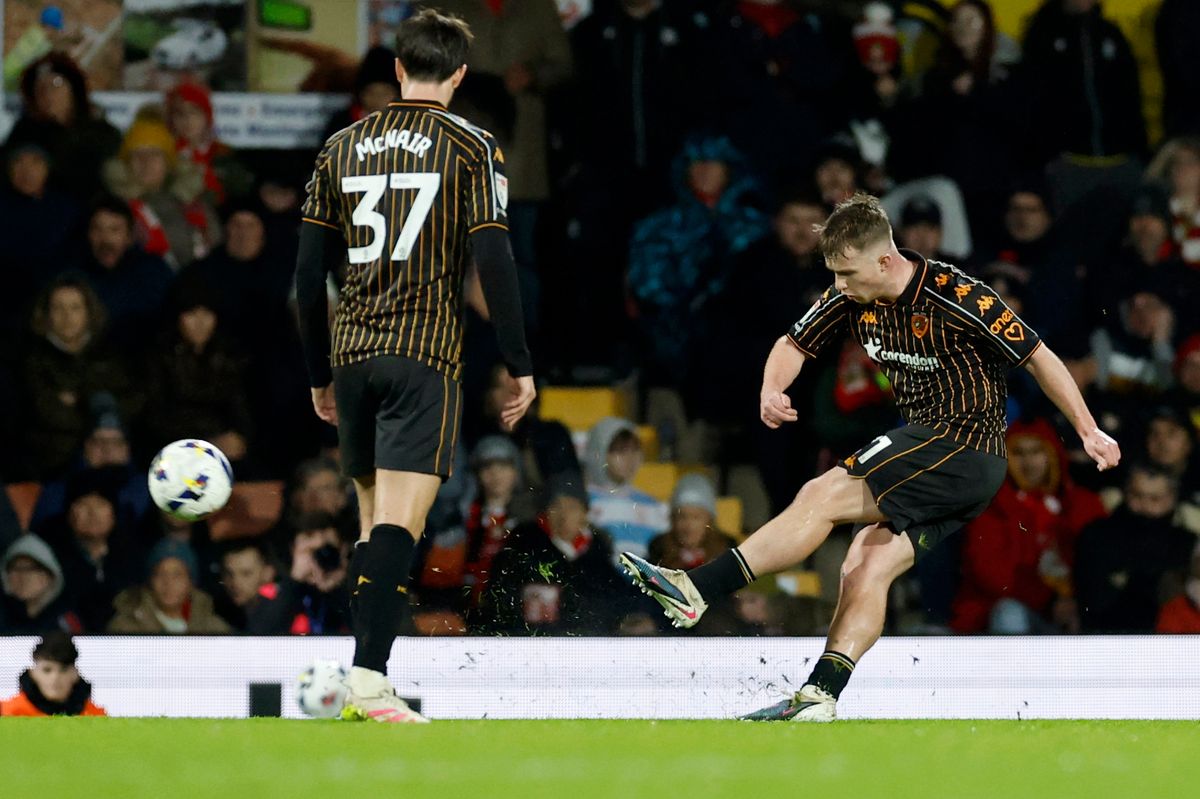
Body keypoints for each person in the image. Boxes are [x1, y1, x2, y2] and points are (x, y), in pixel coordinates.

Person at [620, 193, 1121, 721]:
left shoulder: (959, 295)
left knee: (821, 494)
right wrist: (771, 390)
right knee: (866, 563)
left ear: (885, 260)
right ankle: (822, 694)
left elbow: (1039, 356)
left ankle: (697, 588)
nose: (837, 285)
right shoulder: (852, 294)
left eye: (846, 273)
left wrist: (1087, 429)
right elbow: (791, 344)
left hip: (962, 446)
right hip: (940, 458)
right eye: (833, 273)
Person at [294, 8, 535, 723]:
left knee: (373, 526)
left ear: (398, 68)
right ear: (458, 76)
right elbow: (495, 260)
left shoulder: (340, 145)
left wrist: (318, 374)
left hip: (354, 355)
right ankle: (368, 682)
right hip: (422, 355)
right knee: (401, 521)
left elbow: (308, 278)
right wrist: (519, 363)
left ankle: (366, 679)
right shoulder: (472, 145)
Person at [950, 419, 1107, 634]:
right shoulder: (989, 508)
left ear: (1052, 454)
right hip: (1016, 614)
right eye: (1018, 453)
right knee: (1008, 613)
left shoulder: (1084, 504)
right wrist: (1050, 601)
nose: (1028, 462)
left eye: (1036, 451)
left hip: (1077, 614)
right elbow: (992, 577)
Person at [1074, 464, 1193, 633]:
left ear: (1171, 499)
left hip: (1166, 641)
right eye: (1137, 495)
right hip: (1105, 636)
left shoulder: (1185, 544)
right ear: (1125, 492)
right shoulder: (1096, 535)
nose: (1144, 504)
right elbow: (1092, 600)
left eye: (1154, 499)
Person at [247, 512, 351, 636]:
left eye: (326, 550)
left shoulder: (354, 592)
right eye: (311, 551)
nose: (319, 558)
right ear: (293, 550)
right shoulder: (278, 592)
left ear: (343, 550)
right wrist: (294, 581)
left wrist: (338, 587)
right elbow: (260, 632)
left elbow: (366, 631)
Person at [583, 417, 669, 563]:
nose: (630, 459)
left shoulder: (654, 506)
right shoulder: (583, 501)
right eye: (620, 451)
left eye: (634, 450)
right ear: (599, 452)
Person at [107, 538, 231, 634]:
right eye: (160, 574)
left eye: (177, 575)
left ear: (191, 582)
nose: (168, 583)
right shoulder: (124, 628)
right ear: (150, 580)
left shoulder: (214, 629)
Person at [0, 632, 106, 717]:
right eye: (47, 670)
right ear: (32, 673)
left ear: (75, 674)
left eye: (63, 670)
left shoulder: (95, 717)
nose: (55, 677)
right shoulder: (6, 713)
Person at [1, 533, 81, 635]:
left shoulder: (65, 620)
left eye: (29, 569)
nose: (22, 577)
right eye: (15, 569)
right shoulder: (4, 616)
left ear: (49, 576)